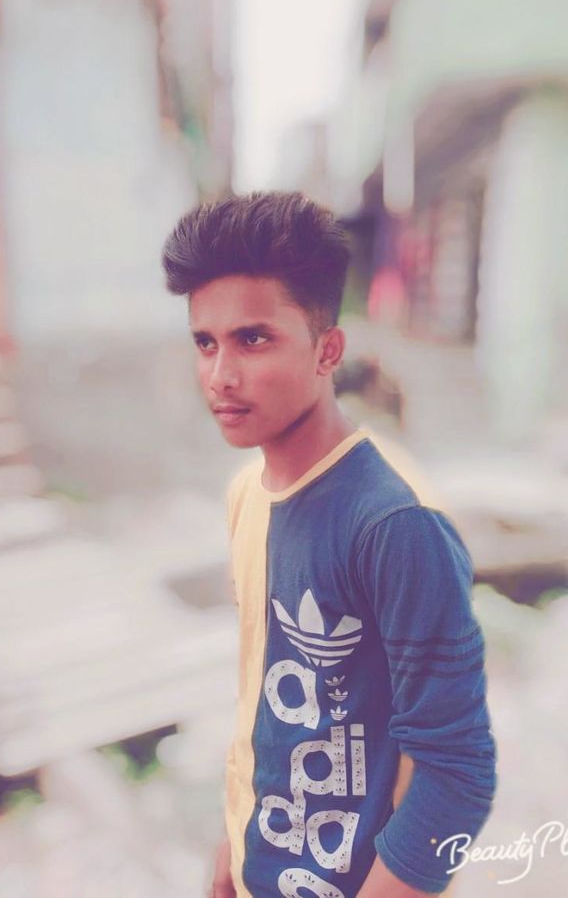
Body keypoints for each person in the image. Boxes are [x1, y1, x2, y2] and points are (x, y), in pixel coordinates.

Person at [161, 192, 497, 898]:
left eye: (253, 339)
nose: (220, 375)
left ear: (328, 350)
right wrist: (236, 837)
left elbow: (456, 773)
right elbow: (267, 699)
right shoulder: (247, 495)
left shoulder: (394, 523)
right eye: (205, 342)